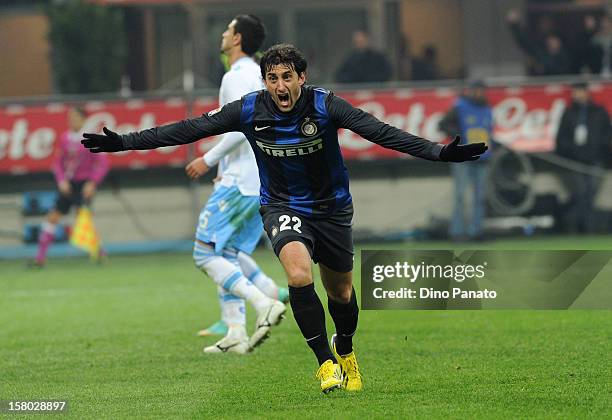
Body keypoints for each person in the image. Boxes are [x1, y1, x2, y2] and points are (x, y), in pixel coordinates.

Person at [81, 44, 487, 393]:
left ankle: (344, 348)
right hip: (282, 206)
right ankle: (325, 363)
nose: (280, 86)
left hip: (331, 209)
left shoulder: (326, 105)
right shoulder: (247, 110)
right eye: (272, 78)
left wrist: (439, 153)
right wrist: (123, 143)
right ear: (264, 81)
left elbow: (380, 132)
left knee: (342, 293)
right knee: (297, 276)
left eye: (286, 77)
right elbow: (188, 129)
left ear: (301, 77)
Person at [184, 15, 288, 353]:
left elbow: (242, 128)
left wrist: (208, 159)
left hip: (242, 181)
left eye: (228, 30)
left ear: (238, 38)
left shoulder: (237, 76)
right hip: (255, 178)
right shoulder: (257, 77)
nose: (224, 34)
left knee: (204, 252)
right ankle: (235, 332)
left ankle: (264, 302)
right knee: (226, 252)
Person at [32, 107, 109, 267]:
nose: (71, 120)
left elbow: (102, 164)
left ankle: (99, 253)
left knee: (83, 219)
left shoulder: (92, 137)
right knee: (53, 217)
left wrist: (93, 182)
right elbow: (58, 163)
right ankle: (40, 258)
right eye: (69, 117)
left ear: (83, 119)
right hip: (69, 184)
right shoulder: (65, 138)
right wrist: (61, 181)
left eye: (74, 117)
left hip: (84, 184)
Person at [439, 80, 494, 241]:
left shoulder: (487, 109)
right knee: (461, 196)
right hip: (462, 156)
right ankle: (457, 232)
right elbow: (442, 124)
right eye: (476, 90)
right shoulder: (459, 107)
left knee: (480, 197)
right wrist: (459, 138)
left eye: (481, 90)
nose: (479, 93)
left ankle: (476, 232)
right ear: (470, 91)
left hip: (482, 157)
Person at [555, 82, 611, 233]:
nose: (576, 95)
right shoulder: (568, 113)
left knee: (591, 192)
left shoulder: (599, 112)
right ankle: (582, 226)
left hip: (595, 159)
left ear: (587, 92)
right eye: (574, 92)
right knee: (580, 192)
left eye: (579, 91)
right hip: (575, 161)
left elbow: (607, 135)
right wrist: (572, 152)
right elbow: (561, 138)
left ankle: (583, 225)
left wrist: (602, 152)